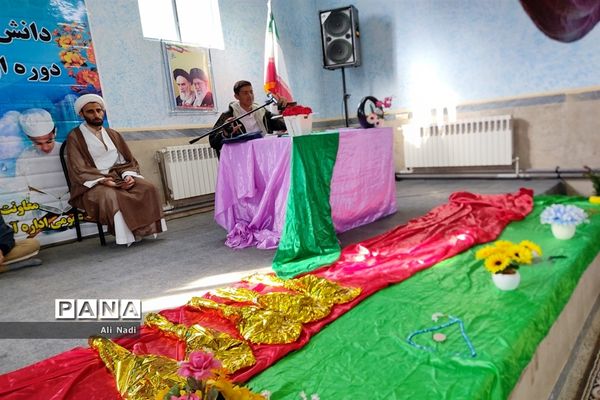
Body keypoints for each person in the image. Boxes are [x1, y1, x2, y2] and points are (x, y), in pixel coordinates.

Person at [64, 94, 166, 246]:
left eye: (99, 110)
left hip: (118, 177)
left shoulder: (113, 134)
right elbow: (78, 168)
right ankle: (126, 237)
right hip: (92, 183)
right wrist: (103, 181)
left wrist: (128, 175)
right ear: (81, 114)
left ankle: (146, 230)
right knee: (112, 196)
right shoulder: (75, 137)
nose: (96, 114)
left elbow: (126, 161)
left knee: (148, 187)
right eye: (90, 111)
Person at [209, 80, 288, 156]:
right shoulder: (228, 115)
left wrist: (283, 108)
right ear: (236, 96)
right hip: (242, 156)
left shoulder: (262, 111)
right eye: (245, 93)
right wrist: (225, 134)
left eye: (251, 92)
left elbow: (282, 124)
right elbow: (213, 141)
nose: (250, 96)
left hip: (264, 152)